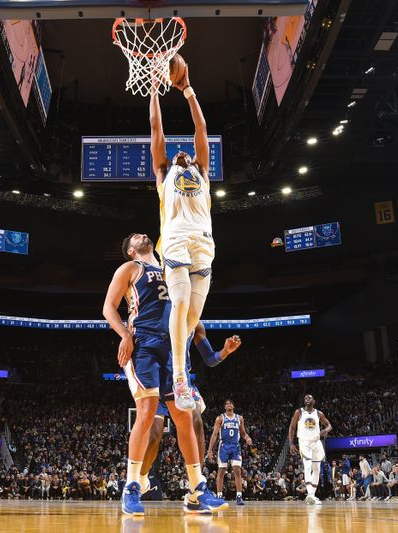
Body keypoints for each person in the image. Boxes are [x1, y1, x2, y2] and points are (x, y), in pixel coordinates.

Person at [103, 233, 224, 516]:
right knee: (146, 411)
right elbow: (108, 307)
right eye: (136, 237)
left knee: (184, 414)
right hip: (143, 342)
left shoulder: (171, 269)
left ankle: (197, 489)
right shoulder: (130, 268)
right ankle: (132, 487)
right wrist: (124, 335)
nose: (143, 235)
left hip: (173, 344)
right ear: (131, 250)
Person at [149, 63, 214, 412]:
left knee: (191, 321)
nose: (181, 152)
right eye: (176, 154)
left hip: (203, 243)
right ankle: (179, 378)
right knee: (180, 303)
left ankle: (179, 366)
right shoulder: (164, 174)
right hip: (174, 239)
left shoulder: (201, 172)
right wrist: (155, 90)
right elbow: (156, 128)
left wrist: (188, 90)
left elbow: (201, 128)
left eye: (185, 152)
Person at [137, 323, 242, 498]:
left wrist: (225, 351)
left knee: (196, 420)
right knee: (154, 436)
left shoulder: (195, 323)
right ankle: (140, 479)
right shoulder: (159, 312)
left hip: (181, 381)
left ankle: (197, 486)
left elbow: (210, 359)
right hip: (158, 379)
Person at [288, 394, 333, 505]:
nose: (308, 399)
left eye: (310, 398)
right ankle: (310, 494)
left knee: (317, 469)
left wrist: (325, 430)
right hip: (304, 443)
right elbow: (292, 427)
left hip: (316, 442)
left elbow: (329, 425)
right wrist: (291, 443)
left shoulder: (318, 413)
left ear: (314, 401)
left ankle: (312, 495)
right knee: (307, 466)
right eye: (306, 398)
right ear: (304, 401)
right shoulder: (299, 412)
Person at [207, 399, 253, 506]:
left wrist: (247, 438)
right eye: (227, 404)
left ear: (233, 406)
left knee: (237, 470)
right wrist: (210, 450)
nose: (229, 405)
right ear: (224, 407)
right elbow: (214, 435)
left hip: (235, 446)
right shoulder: (220, 418)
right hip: (224, 446)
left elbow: (243, 433)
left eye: (231, 403)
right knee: (221, 471)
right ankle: (219, 496)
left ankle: (239, 496)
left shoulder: (239, 418)